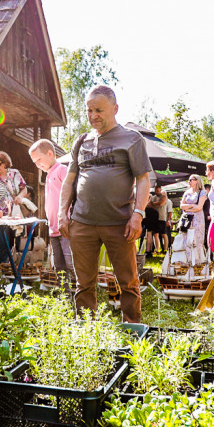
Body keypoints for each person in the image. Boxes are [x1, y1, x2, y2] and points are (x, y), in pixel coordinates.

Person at [58, 85, 150, 323]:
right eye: (89, 110)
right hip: (82, 222)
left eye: (98, 110)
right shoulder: (81, 141)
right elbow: (69, 180)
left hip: (119, 223)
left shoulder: (132, 139)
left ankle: (132, 330)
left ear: (115, 108)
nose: (93, 115)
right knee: (83, 282)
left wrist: (138, 214)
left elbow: (143, 179)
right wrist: (62, 213)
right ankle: (87, 331)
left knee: (128, 281)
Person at [29, 138, 74, 286]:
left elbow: (72, 194)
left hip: (66, 227)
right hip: (53, 229)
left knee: (71, 264)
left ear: (50, 153)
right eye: (34, 162)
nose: (37, 165)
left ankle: (80, 298)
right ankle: (64, 299)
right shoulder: (48, 174)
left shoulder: (62, 170)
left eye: (38, 160)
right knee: (59, 267)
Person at [0, 150, 29, 266]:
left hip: (15, 213)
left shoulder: (15, 174)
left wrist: (19, 196)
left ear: (5, 163)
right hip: (0, 215)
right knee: (2, 241)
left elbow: (24, 189)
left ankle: (17, 265)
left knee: (15, 239)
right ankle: (4, 267)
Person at [179, 175, 209, 268]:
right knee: (185, 240)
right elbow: (181, 206)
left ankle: (197, 263)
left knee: (196, 240)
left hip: (197, 220)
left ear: (196, 181)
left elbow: (199, 207)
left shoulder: (202, 192)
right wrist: (193, 206)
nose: (189, 182)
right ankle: (186, 263)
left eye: (190, 180)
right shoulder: (187, 192)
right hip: (187, 219)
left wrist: (187, 207)